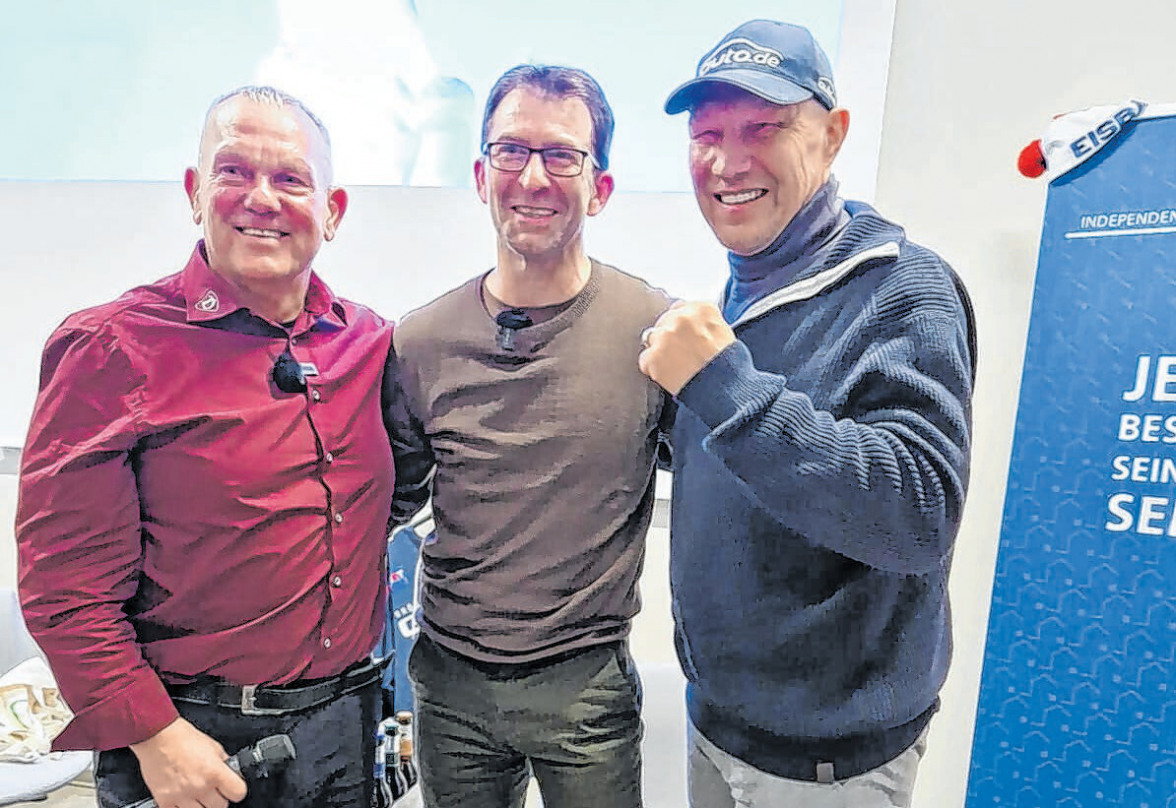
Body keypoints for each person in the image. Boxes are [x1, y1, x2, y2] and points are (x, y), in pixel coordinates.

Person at [16, 86, 395, 808]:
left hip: (345, 731)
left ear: (333, 211)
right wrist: (156, 737)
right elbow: (64, 588)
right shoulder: (110, 349)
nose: (262, 198)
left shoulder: (370, 342)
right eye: (234, 172)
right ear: (194, 192)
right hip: (191, 739)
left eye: (291, 179)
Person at [639, 20, 977, 808]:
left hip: (828, 766)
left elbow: (918, 514)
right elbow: (769, 463)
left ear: (832, 136)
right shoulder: (742, 291)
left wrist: (721, 385)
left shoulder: (903, 287)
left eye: (764, 128)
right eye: (707, 134)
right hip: (719, 723)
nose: (728, 161)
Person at [386, 64, 670, 808]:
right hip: (451, 684)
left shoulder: (654, 333)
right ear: (482, 176)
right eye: (512, 151)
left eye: (562, 155)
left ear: (600, 188)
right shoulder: (420, 341)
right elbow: (388, 503)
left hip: (585, 684)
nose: (533, 177)